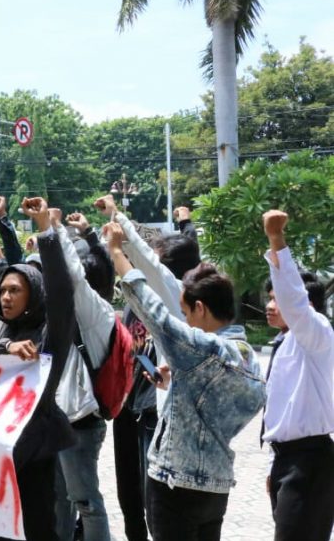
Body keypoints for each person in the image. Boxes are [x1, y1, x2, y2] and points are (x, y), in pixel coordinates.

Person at [105, 221, 265, 541]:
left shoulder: (199, 348)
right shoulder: (248, 357)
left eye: (186, 312)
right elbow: (213, 406)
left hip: (175, 483)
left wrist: (117, 252)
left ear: (200, 308)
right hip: (216, 485)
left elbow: (152, 308)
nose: (186, 320)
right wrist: (181, 386)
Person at [95, 197, 202, 541]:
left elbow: (149, 261)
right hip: (129, 406)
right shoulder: (137, 302)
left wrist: (119, 225)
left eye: (155, 260)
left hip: (155, 411)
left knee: (154, 499)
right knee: (129, 496)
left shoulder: (177, 307)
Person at [0, 197, 76, 541]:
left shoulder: (50, 333)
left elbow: (61, 292)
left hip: (34, 451)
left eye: (15, 290)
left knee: (35, 528)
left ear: (33, 294)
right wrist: (6, 348)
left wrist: (46, 230)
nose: (5, 297)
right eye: (2, 290)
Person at [260, 209, 334, 541]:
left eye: (277, 299)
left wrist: (277, 239)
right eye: (270, 299)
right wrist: (273, 466)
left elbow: (295, 303)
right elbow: (279, 411)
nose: (271, 305)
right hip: (287, 459)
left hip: (309, 461)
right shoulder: (283, 342)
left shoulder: (316, 332)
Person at [52, 211, 117, 541]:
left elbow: (76, 277)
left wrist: (54, 227)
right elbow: (100, 267)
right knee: (62, 500)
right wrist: (89, 234)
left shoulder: (93, 312)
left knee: (85, 501)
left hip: (81, 421)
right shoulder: (94, 311)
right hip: (68, 417)